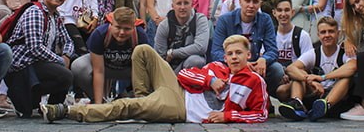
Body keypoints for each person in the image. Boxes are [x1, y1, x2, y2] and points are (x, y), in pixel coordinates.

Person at [42, 35, 269, 124]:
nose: (234, 58)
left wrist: (227, 115)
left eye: (239, 53)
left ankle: (67, 111)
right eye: (230, 53)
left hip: (181, 108)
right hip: (178, 88)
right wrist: (210, 82)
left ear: (248, 55)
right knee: (143, 50)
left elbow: (261, 113)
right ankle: (146, 102)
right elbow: (184, 75)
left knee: (126, 105)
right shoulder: (217, 66)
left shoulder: (254, 81)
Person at [5, 0, 74, 118]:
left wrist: (66, 55)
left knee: (64, 74)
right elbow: (34, 47)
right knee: (65, 75)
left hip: (38, 64)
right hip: (22, 67)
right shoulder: (35, 12)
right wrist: (60, 61)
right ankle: (21, 93)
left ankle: (53, 108)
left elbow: (68, 41)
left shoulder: (55, 16)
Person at [212, 0, 284, 100]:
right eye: (247, 1)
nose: (251, 5)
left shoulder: (265, 20)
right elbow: (216, 52)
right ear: (240, 2)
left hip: (255, 64)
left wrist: (264, 59)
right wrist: (241, 63)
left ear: (260, 4)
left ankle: (263, 98)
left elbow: (272, 50)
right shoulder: (225, 20)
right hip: (231, 64)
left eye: (255, 2)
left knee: (277, 69)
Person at [279, 16, 357, 121]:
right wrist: (309, 80)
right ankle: (297, 103)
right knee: (298, 74)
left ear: (338, 33)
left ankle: (325, 105)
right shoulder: (314, 53)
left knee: (347, 78)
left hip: (337, 98)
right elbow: (290, 68)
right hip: (316, 93)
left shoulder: (345, 52)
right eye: (323, 32)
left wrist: (323, 77)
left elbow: (352, 67)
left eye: (331, 32)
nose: (327, 35)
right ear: (318, 35)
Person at [71, 7, 148, 104]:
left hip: (130, 71)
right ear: (111, 25)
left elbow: (142, 72)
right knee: (78, 66)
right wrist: (99, 105)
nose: (122, 33)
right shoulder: (100, 34)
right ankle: (98, 100)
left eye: (127, 29)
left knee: (150, 68)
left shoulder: (140, 36)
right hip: (104, 67)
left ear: (133, 27)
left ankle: (131, 99)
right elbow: (98, 71)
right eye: (118, 27)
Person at [154, 0, 209, 72]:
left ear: (192, 4)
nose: (182, 7)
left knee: (195, 61)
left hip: (190, 64)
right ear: (173, 6)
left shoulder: (200, 20)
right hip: (169, 68)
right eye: (179, 3)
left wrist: (173, 53)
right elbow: (160, 56)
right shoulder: (164, 26)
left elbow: (201, 47)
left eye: (186, 3)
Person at [273, 0, 313, 101]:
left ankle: (296, 104)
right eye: (279, 10)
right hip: (276, 78)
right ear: (274, 13)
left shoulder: (302, 35)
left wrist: (291, 74)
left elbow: (308, 64)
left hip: (297, 78)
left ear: (292, 12)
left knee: (285, 88)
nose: (283, 14)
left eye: (286, 10)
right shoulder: (270, 35)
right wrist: (280, 74)